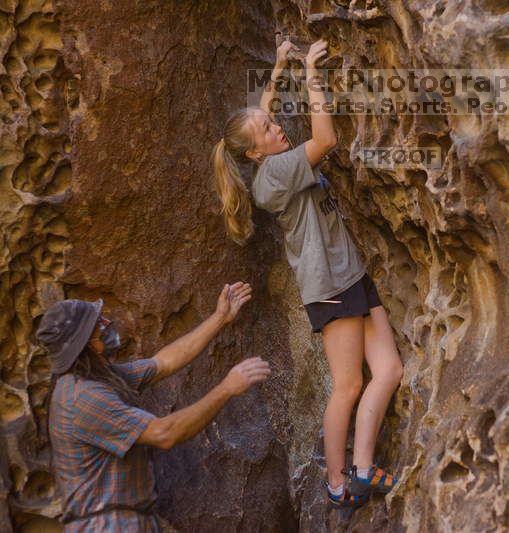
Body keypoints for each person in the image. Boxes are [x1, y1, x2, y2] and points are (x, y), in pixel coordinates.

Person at [210, 37, 403, 507]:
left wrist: (276, 70)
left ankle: (360, 468)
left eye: (273, 122)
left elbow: (258, 113)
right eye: (268, 129)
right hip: (329, 286)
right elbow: (327, 140)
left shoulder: (269, 160)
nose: (277, 128)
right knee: (348, 384)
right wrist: (312, 77)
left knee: (390, 370)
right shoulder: (273, 176)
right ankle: (341, 482)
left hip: (349, 273)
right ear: (254, 153)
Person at [35, 283, 271, 531]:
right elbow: (164, 433)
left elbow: (164, 363)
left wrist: (220, 317)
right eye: (96, 326)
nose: (106, 325)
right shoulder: (83, 397)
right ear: (82, 344)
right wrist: (226, 388)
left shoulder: (99, 378)